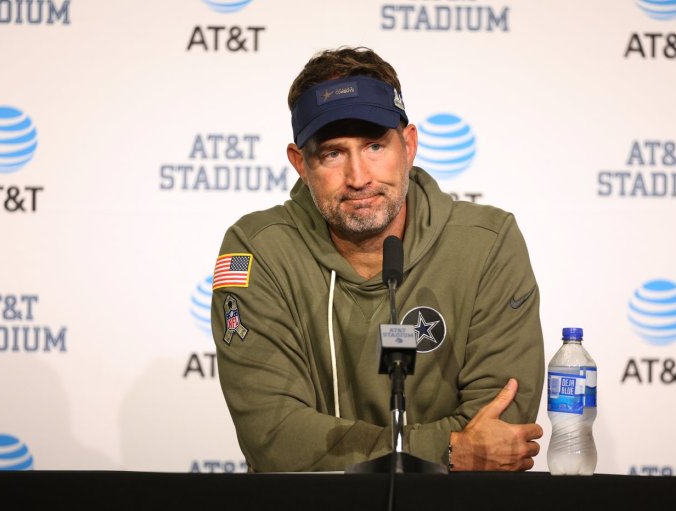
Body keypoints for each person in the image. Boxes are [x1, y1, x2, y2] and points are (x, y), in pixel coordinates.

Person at [211, 46, 544, 473]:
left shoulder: (488, 243)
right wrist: (448, 450)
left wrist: (439, 451)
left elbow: (500, 435)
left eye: (374, 146)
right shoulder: (255, 250)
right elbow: (274, 439)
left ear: (409, 144)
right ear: (300, 164)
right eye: (332, 153)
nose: (358, 177)